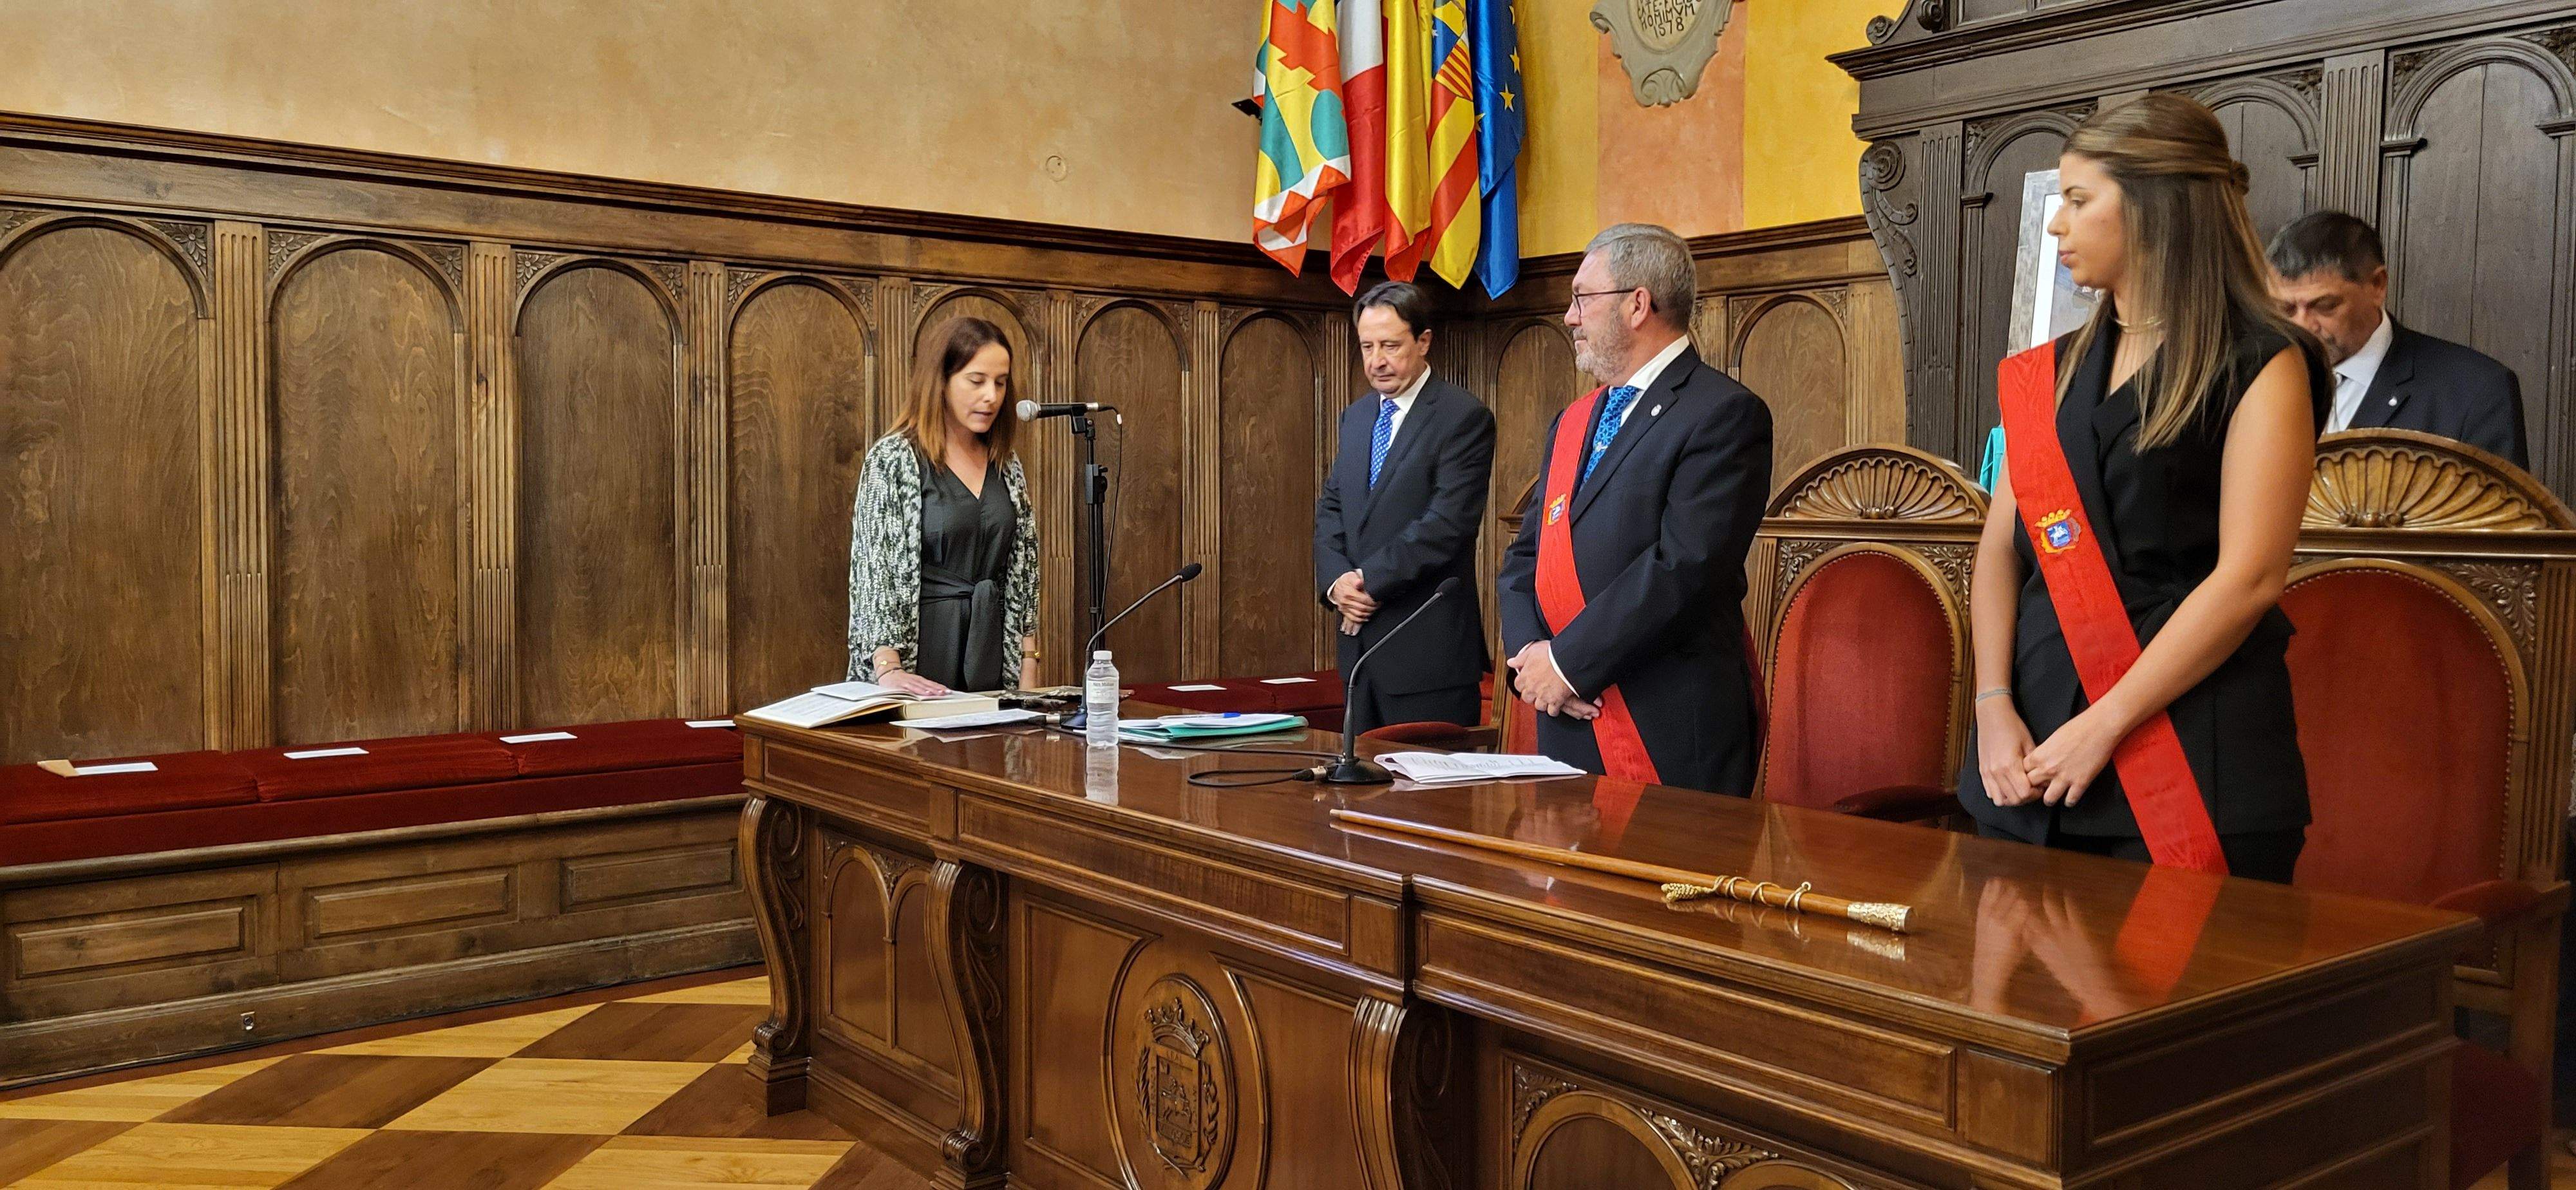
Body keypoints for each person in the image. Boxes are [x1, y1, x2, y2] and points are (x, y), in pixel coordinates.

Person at [1962, 95, 2330, 883]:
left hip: (2190, 757)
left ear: (2156, 205)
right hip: (2024, 761)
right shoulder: (2044, 377)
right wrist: (1992, 703)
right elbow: (2000, 551)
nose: (2056, 225)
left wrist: (2106, 725)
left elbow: (2251, 577)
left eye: (2077, 199)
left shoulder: (2263, 362)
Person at [1497, 222, 1773, 796]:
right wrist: (1533, 662)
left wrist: (1568, 663)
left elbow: (1685, 567)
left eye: (1582, 297)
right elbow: (1527, 555)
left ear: (1638, 304)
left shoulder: (1723, 414)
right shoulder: (1573, 422)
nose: (1570, 315)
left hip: (1663, 723)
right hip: (1565, 712)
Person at [1314, 281, 1497, 737]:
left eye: (1391, 346)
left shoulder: (1463, 417)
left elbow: (1446, 524)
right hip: (1358, 653)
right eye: (1367, 346)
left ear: (1424, 341)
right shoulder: (1357, 417)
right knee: (1357, 802)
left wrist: (1368, 581)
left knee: (1430, 808)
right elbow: (1333, 507)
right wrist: (1337, 583)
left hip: (1427, 658)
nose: (1377, 360)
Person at [847, 317, 1039, 695]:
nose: (993, 396)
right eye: (977, 380)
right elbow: (875, 573)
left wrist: (1028, 664)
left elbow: (1024, 575)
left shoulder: (1007, 463)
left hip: (991, 659)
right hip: (919, 660)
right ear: (942, 381)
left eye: (1001, 383)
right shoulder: (894, 458)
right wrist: (888, 669)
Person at [2268, 211, 2530, 468]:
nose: (2302, 325)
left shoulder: (2476, 390)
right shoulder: (2253, 381)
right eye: (2286, 309)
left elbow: (2497, 510)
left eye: (2325, 305)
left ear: (2377, 286)